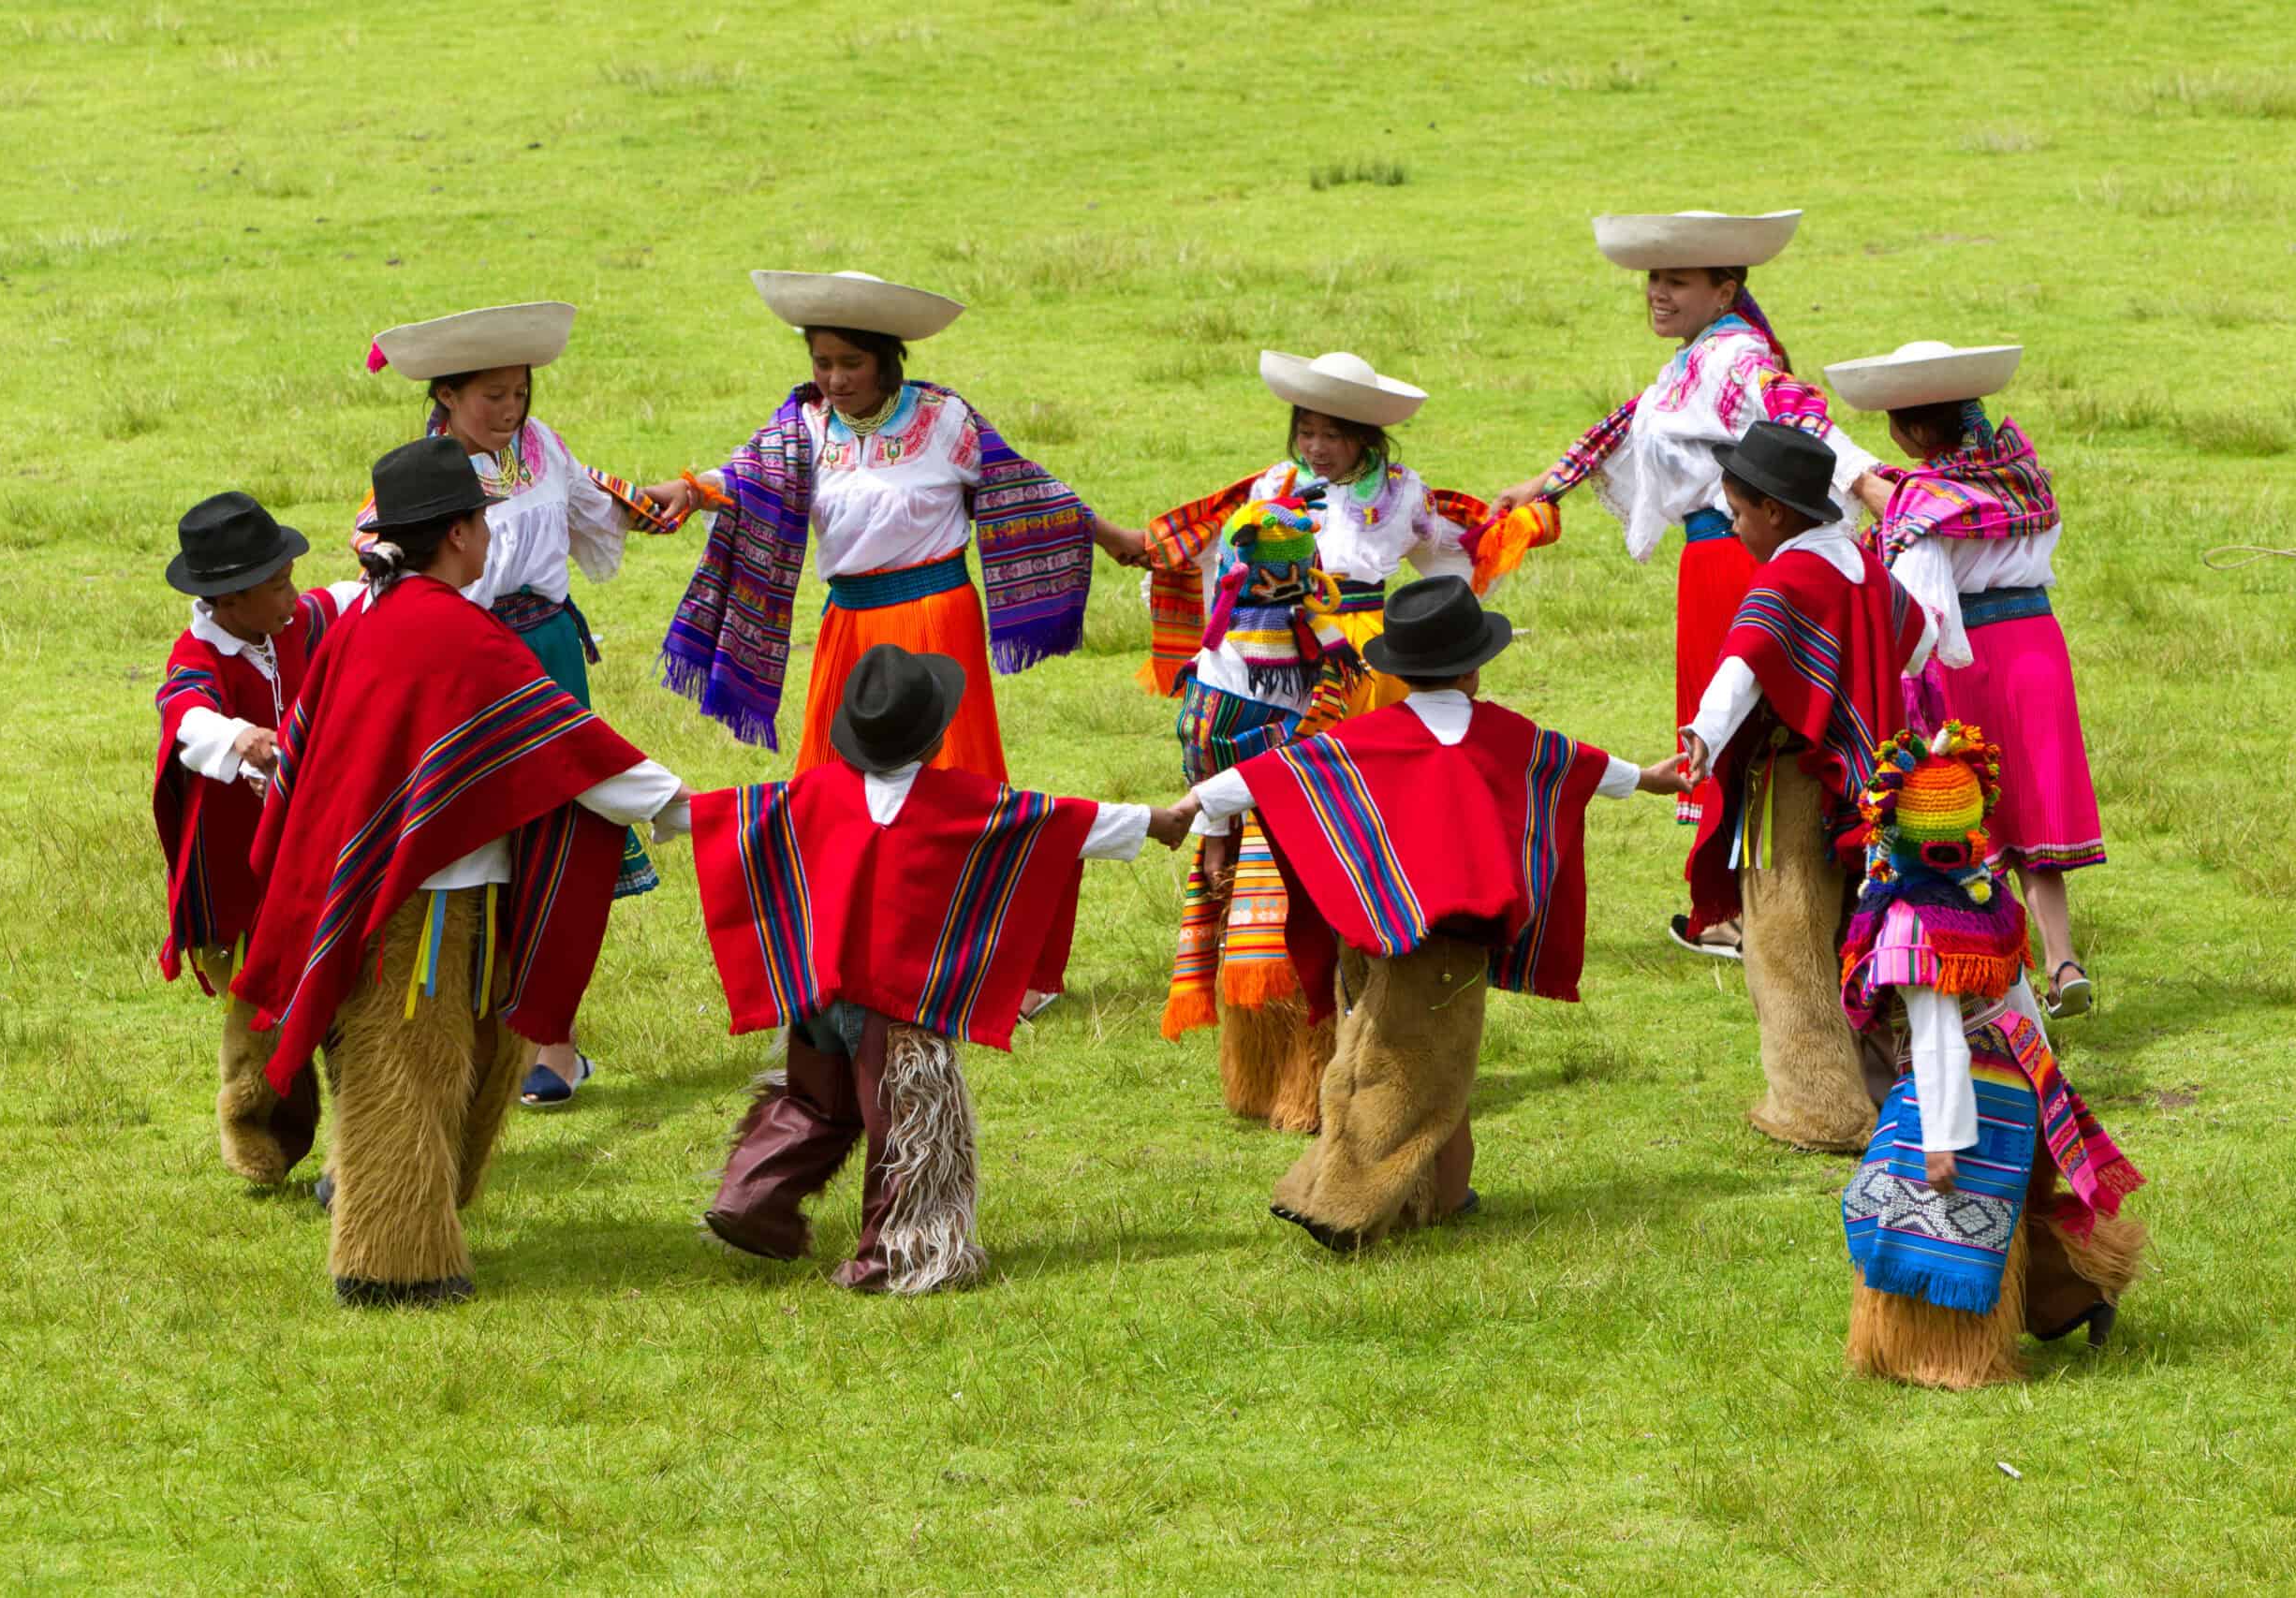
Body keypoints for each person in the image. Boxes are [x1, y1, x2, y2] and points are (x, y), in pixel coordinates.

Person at [235, 437, 695, 1308]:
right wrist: (695, 811)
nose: (491, 534)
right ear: (456, 533)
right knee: (412, 1066)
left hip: (394, 885)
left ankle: (404, 1207)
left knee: (461, 1055)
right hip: (423, 901)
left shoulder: (375, 615)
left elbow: (308, 751)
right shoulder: (448, 628)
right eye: (483, 519)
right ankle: (390, 1261)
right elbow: (570, 748)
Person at [1180, 577, 1686, 1249]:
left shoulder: (1367, 737)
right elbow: (1580, 766)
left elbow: (1261, 778)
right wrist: (1650, 779)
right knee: (1422, 1072)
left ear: (1399, 669)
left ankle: (1441, 1196)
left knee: (1364, 1054)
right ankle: (1345, 1204)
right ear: (1475, 667)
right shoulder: (1505, 735)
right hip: (1449, 946)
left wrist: (1197, 815)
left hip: (1370, 932)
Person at [689, 646, 1192, 1293]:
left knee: (815, 1102)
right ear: (932, 741)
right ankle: (898, 1256)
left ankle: (750, 1201)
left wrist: (661, 806)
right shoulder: (959, 800)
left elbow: (728, 815)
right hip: (898, 1010)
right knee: (910, 1128)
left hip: (820, 997)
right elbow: (1064, 823)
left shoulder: (814, 791)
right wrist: (1158, 821)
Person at [1489, 210, 1885, 960]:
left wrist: (1864, 480)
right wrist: (1543, 485)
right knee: (1725, 712)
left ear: (1725, 289)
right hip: (1711, 560)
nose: (1657, 293)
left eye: (1677, 281)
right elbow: (1626, 424)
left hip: (1739, 560)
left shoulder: (1736, 358)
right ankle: (1744, 902)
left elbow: (1799, 414)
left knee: (1739, 716)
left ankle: (1757, 905)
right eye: (1654, 279)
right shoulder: (1693, 361)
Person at [361, 300, 694, 1107]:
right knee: (477, 852)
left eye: (520, 393)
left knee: (559, 848)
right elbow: (381, 554)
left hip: (546, 660)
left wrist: (690, 493)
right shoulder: (422, 473)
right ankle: (472, 1037)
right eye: (492, 397)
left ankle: (556, 1041)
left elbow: (597, 506)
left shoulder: (541, 450)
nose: (510, 412)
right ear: (445, 395)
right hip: (468, 667)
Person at [662, 270, 1148, 783]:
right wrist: (691, 492)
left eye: (852, 363)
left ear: (886, 362)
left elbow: (1026, 492)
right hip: (847, 622)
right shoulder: (805, 424)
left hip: (934, 617)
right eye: (823, 363)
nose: (836, 379)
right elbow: (748, 476)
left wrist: (1116, 540)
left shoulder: (942, 419)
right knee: (839, 783)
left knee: (944, 777)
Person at [1837, 723, 2145, 1387]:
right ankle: (2083, 1288)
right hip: (2020, 1072)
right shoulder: (1986, 896)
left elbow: (1938, 1027)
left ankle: (1943, 1355)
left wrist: (1941, 1139)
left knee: (1898, 1205)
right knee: (2010, 1211)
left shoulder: (1913, 922)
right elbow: (2019, 993)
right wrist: (2046, 1075)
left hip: (1964, 1088)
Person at [1829, 340, 2103, 1018]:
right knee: (2035, 804)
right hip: (2037, 645)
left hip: (1968, 653)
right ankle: (2062, 957)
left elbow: (1923, 605)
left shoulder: (1924, 502)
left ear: (1917, 429)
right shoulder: (2022, 475)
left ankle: (1995, 969)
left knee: (1968, 806)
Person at [1680, 423, 1934, 1152]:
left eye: (1738, 511)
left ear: (1777, 513)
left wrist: (1702, 735)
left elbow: (1744, 663)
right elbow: (1921, 640)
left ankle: (1819, 1106)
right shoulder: (1860, 565)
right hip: (1874, 784)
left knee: (1787, 937)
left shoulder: (1786, 578)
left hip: (1799, 782)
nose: (1732, 526)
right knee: (1867, 932)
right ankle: (1895, 1086)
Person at [1111, 348, 1536, 713]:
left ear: (1365, 438)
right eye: (1307, 433)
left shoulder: (1401, 492)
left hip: (1367, 645)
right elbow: (1235, 548)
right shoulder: (1276, 485)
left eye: (1332, 436)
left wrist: (1504, 532)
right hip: (1286, 636)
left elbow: (1445, 548)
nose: (1316, 447)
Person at [152, 491, 358, 1186]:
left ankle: (359, 1139)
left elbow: (351, 598)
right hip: (247, 876)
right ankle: (254, 1123)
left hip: (318, 851)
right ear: (227, 601)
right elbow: (185, 715)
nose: (292, 594)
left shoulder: (300, 620)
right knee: (261, 1004)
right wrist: (241, 738)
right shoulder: (198, 655)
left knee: (344, 990)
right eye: (277, 585)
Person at [1152, 492, 1359, 1132]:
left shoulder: (1317, 639)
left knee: (1306, 952)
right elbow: (1204, 739)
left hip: (1307, 812)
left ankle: (1309, 1087)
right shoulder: (1232, 652)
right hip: (1256, 822)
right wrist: (1215, 835)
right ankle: (1269, 1083)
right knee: (1267, 954)